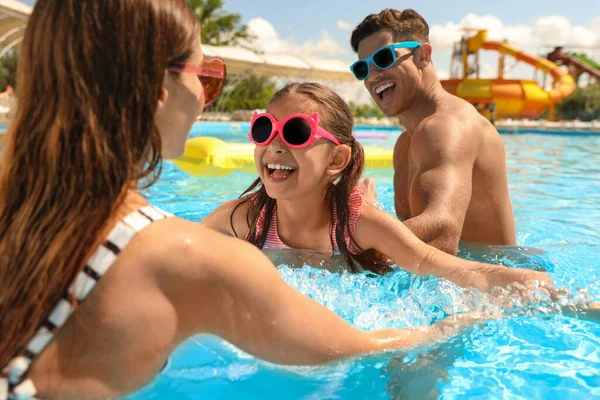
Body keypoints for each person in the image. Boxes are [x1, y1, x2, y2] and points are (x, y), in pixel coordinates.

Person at [0, 1, 494, 399]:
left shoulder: (19, 200)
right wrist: (461, 322)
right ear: (156, 89)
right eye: (207, 74)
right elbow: (353, 347)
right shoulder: (190, 259)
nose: (204, 95)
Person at [200, 82, 548, 292]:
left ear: (336, 160)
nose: (275, 146)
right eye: (264, 129)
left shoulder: (358, 226)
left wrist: (534, 284)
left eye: (295, 133)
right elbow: (172, 247)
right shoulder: (245, 217)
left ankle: (364, 194)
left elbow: (442, 265)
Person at [350, 9, 516, 255]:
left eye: (384, 58)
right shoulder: (405, 142)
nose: (373, 75)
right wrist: (369, 211)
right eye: (362, 69)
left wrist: (342, 247)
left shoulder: (446, 126)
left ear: (423, 56)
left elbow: (441, 233)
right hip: (454, 283)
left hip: (496, 285)